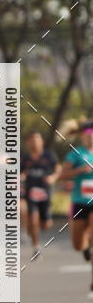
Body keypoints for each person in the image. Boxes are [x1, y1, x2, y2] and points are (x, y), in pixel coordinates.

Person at [58, 122, 93, 289]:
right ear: (82, 136)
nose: (90, 136)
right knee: (78, 245)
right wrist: (79, 171)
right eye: (87, 133)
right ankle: (86, 246)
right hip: (79, 202)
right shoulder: (76, 154)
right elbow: (62, 175)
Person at [20, 131, 61, 259]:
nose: (34, 143)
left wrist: (53, 178)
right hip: (30, 193)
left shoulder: (49, 155)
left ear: (41, 142)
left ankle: (34, 229)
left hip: (45, 194)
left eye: (37, 140)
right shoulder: (25, 158)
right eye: (32, 140)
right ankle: (36, 248)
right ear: (28, 143)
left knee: (45, 225)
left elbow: (58, 168)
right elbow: (20, 173)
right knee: (33, 219)